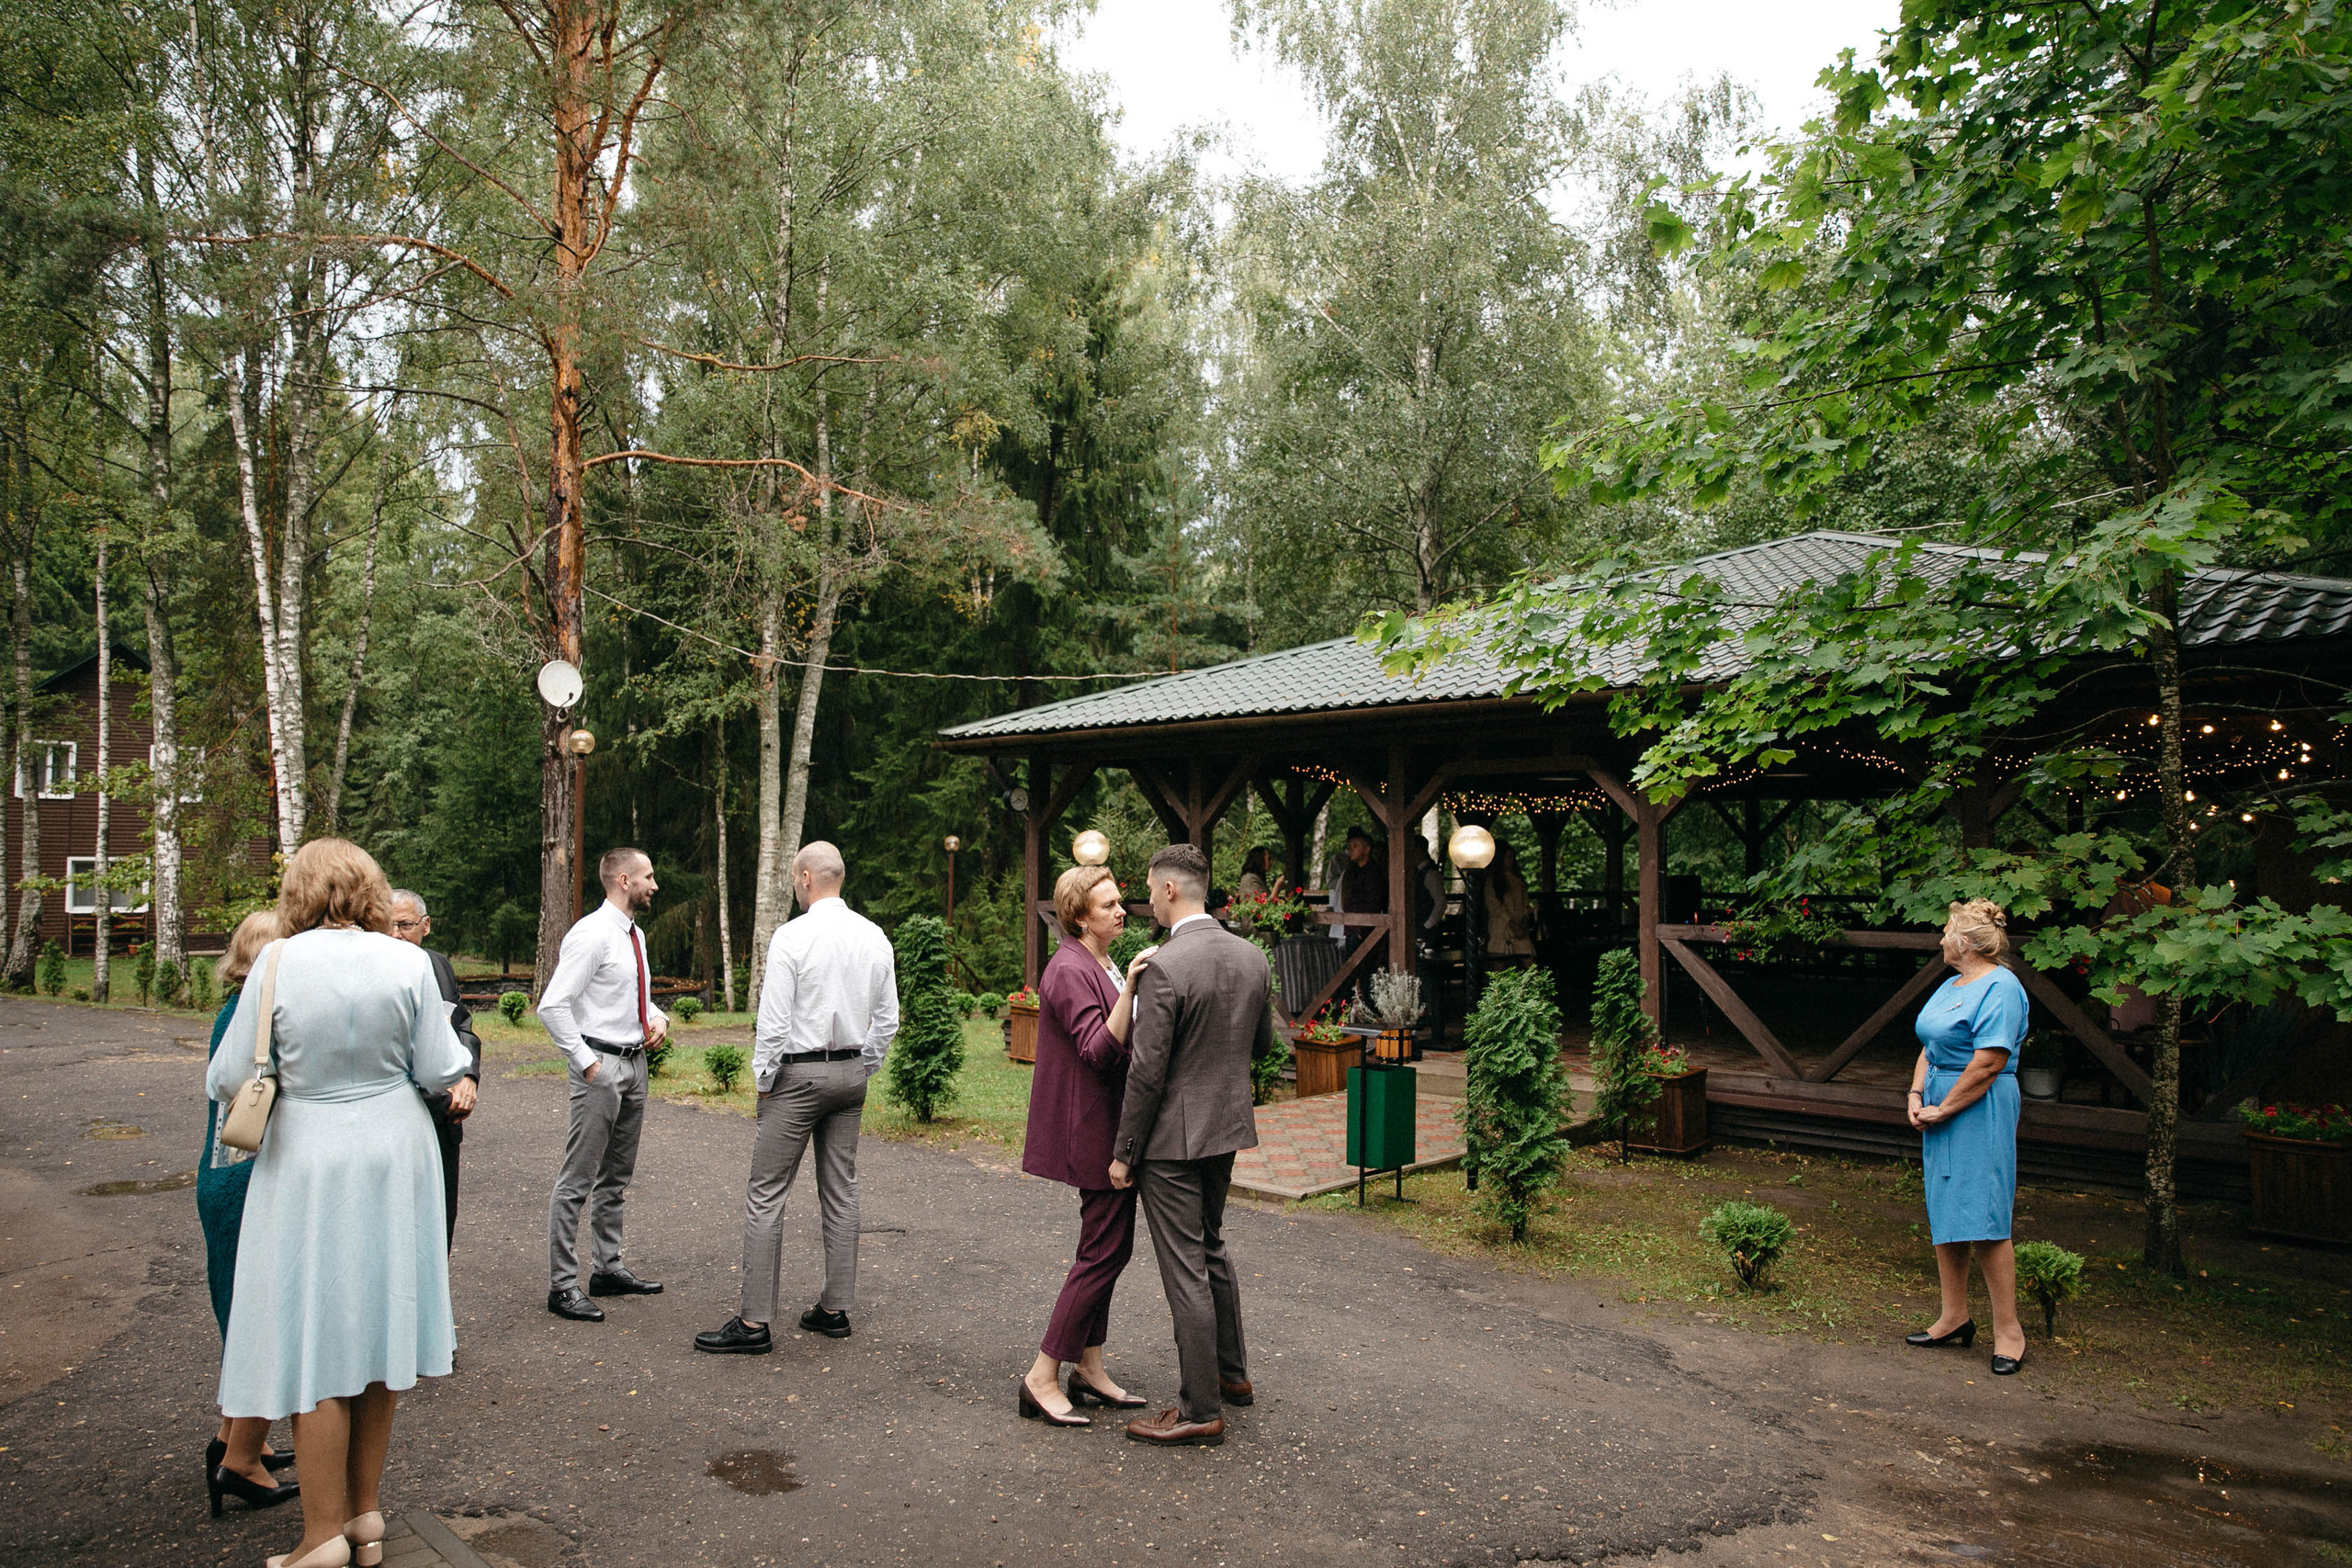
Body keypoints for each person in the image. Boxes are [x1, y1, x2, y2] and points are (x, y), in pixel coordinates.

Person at [206, 837, 472, 1568]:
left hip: (308, 1155)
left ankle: (319, 1535)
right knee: (382, 1329)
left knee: (314, 1337)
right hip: (395, 1149)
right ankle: (365, 1517)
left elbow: (230, 1076)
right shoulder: (408, 961)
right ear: (370, 891)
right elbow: (442, 1066)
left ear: (299, 891)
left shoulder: (275, 962)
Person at [695, 842, 899, 1355]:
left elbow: (775, 1020)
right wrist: (863, 1066)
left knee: (766, 1193)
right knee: (842, 1189)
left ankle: (754, 1322)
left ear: (806, 878)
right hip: (850, 1074)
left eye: (792, 877)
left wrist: (764, 1078)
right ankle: (834, 1309)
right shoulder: (874, 936)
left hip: (798, 1078)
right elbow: (888, 1018)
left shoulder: (792, 936)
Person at [1109, 842, 1272, 1448]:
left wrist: (1125, 1151)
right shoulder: (1252, 956)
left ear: (1172, 890)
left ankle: (1200, 1407)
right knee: (1213, 1247)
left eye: (1150, 889)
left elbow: (1146, 1073)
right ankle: (1232, 1375)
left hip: (1172, 1142)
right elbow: (1259, 1046)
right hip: (1225, 1127)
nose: (1146, 898)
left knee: (1186, 1270)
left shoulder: (1166, 966)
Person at [1013, 864, 1156, 1427]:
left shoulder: (1100, 960)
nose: (1121, 911)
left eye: (1120, 901)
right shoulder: (1070, 968)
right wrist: (1136, 988)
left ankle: (1089, 1367)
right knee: (1101, 1253)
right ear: (1079, 918)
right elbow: (1098, 1051)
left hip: (1111, 1123)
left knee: (1109, 1248)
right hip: (1092, 1128)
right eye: (1108, 906)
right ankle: (1042, 1373)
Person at [197, 910, 300, 1518]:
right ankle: (241, 1463)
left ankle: (236, 1437)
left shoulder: (232, 1010)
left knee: (247, 1319)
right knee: (265, 1323)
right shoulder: (252, 1019)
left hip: (226, 1177)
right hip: (245, 1183)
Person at [539, 848, 670, 1323]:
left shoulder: (634, 935)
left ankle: (607, 1269)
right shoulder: (591, 934)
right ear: (622, 879)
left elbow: (640, 999)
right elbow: (552, 1006)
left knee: (616, 1177)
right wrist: (587, 1065)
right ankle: (562, 1286)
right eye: (648, 876)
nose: (654, 885)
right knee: (577, 1179)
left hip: (635, 1065)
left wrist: (658, 1019)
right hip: (601, 1067)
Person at [1905, 897, 2031, 1375]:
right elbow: (1930, 1045)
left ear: (1963, 941)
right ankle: (1954, 1316)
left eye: (1944, 931)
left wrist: (1946, 1107)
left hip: (1981, 1106)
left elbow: (1989, 1061)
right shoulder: (1951, 985)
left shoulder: (2001, 988)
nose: (1939, 939)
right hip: (1939, 1101)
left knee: (1985, 1215)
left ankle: (2009, 1332)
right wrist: (1917, 1094)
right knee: (1947, 1206)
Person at [388, 890, 481, 1249]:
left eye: (405, 925)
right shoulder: (375, 972)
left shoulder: (437, 964)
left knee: (440, 1228)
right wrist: (441, 1093)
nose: (395, 934)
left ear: (425, 926)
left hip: (446, 1122)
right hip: (404, 1117)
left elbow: (461, 1027)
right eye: (388, 925)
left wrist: (468, 1077)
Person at [1484, 843, 1537, 962]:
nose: (1511, 861)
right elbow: (1495, 906)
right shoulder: (1492, 882)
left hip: (1520, 928)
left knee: (1529, 962)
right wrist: (1510, 921)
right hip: (1501, 928)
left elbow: (1525, 903)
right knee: (1500, 963)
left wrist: (1523, 921)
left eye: (1512, 857)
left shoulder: (1518, 880)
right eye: (1508, 857)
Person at [1339, 829, 1387, 955]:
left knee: (1360, 968)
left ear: (1366, 850)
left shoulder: (1372, 873)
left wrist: (1362, 931)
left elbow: (1374, 902)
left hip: (1361, 930)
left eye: (1355, 846)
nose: (1351, 850)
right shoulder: (1357, 872)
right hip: (1352, 927)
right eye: (1349, 847)